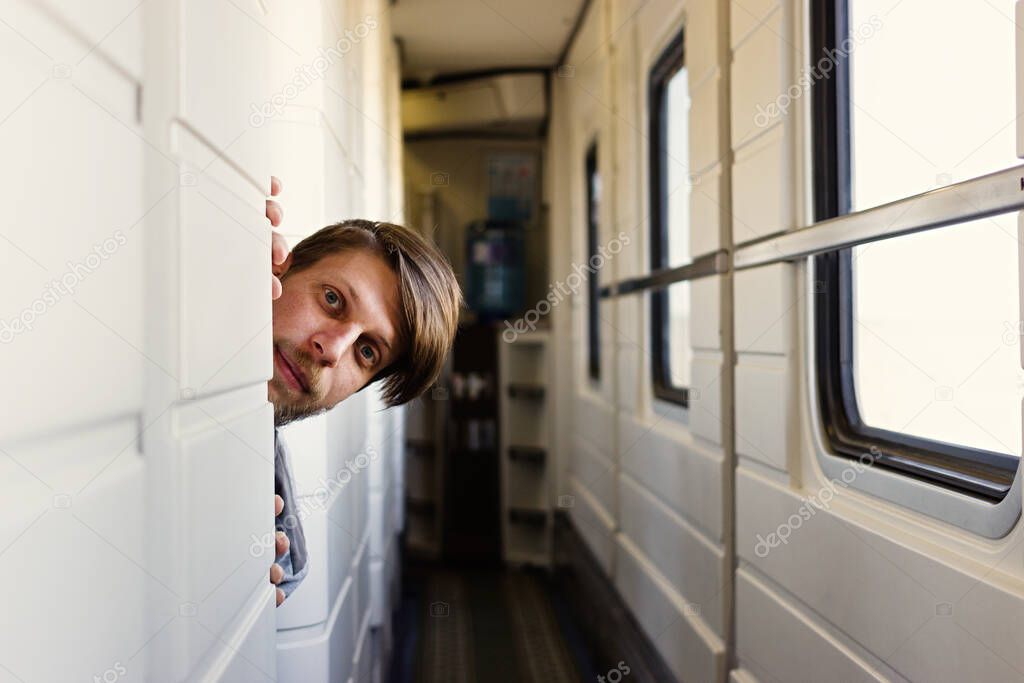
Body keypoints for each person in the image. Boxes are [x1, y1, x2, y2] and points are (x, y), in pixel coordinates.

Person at [263, 177, 461, 605]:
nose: (332, 350)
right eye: (333, 299)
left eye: (367, 351)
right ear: (281, 266)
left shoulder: (275, 553)